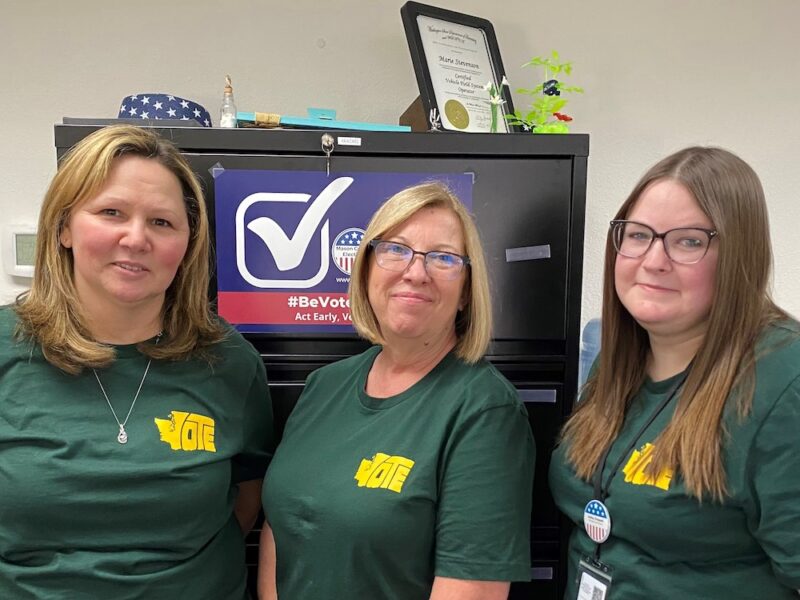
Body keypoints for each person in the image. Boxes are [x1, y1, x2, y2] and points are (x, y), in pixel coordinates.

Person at [0, 125, 273, 599]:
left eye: (162, 222)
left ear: (187, 245)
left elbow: (247, 498)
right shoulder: (8, 347)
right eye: (111, 212)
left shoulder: (229, 360)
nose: (135, 238)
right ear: (64, 227)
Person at [259, 182, 535, 600]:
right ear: (366, 269)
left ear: (465, 293)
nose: (415, 272)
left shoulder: (484, 411)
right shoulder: (323, 386)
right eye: (395, 249)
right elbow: (279, 528)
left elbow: (471, 589)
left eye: (443, 258)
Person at [549, 146, 800, 598]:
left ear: (739, 254)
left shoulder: (784, 380)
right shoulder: (616, 359)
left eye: (688, 240)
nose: (653, 260)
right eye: (639, 235)